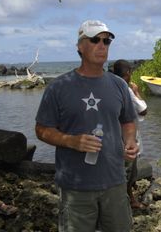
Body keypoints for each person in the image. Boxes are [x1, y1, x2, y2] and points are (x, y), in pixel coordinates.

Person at [35, 20, 138, 232]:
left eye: (106, 41)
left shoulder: (118, 84)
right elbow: (41, 129)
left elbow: (128, 121)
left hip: (115, 181)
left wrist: (130, 142)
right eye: (94, 40)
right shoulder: (58, 87)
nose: (102, 45)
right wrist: (71, 141)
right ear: (80, 46)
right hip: (75, 186)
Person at [111, 59, 148, 209]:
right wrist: (137, 92)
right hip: (127, 139)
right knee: (128, 173)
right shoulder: (125, 88)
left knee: (121, 172)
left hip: (114, 138)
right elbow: (143, 109)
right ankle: (126, 202)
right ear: (128, 73)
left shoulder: (110, 86)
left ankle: (128, 199)